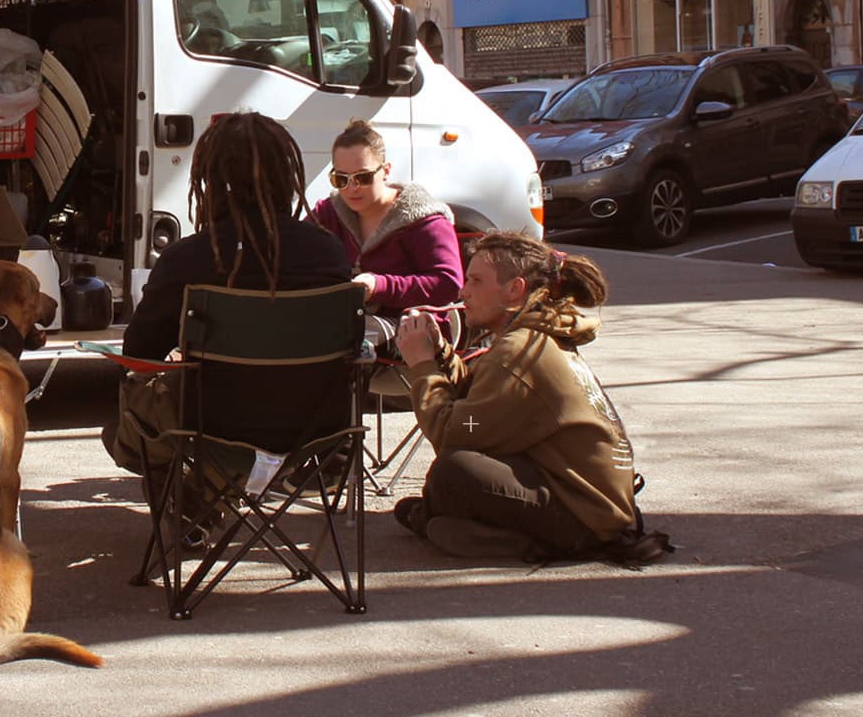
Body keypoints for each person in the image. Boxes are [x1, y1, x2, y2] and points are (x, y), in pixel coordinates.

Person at [105, 113, 354, 519]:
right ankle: (211, 490)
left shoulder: (188, 257)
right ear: (288, 176)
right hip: (316, 430)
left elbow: (140, 352)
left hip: (210, 428)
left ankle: (198, 498)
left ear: (209, 180)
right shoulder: (327, 252)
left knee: (128, 417)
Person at [391, 232, 670, 564]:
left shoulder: (518, 350)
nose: (463, 291)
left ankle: (529, 544)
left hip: (588, 515)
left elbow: (453, 431)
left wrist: (421, 365)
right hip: (589, 498)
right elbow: (479, 397)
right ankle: (442, 520)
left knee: (453, 470)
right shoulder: (531, 337)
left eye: (476, 281)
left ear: (514, 290)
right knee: (448, 484)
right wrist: (441, 354)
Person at [310, 119, 462, 346]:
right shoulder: (328, 212)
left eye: (362, 178)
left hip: (410, 326)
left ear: (386, 171)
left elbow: (449, 283)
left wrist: (380, 286)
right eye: (340, 179)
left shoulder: (423, 219)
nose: (351, 189)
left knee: (335, 335)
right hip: (345, 319)